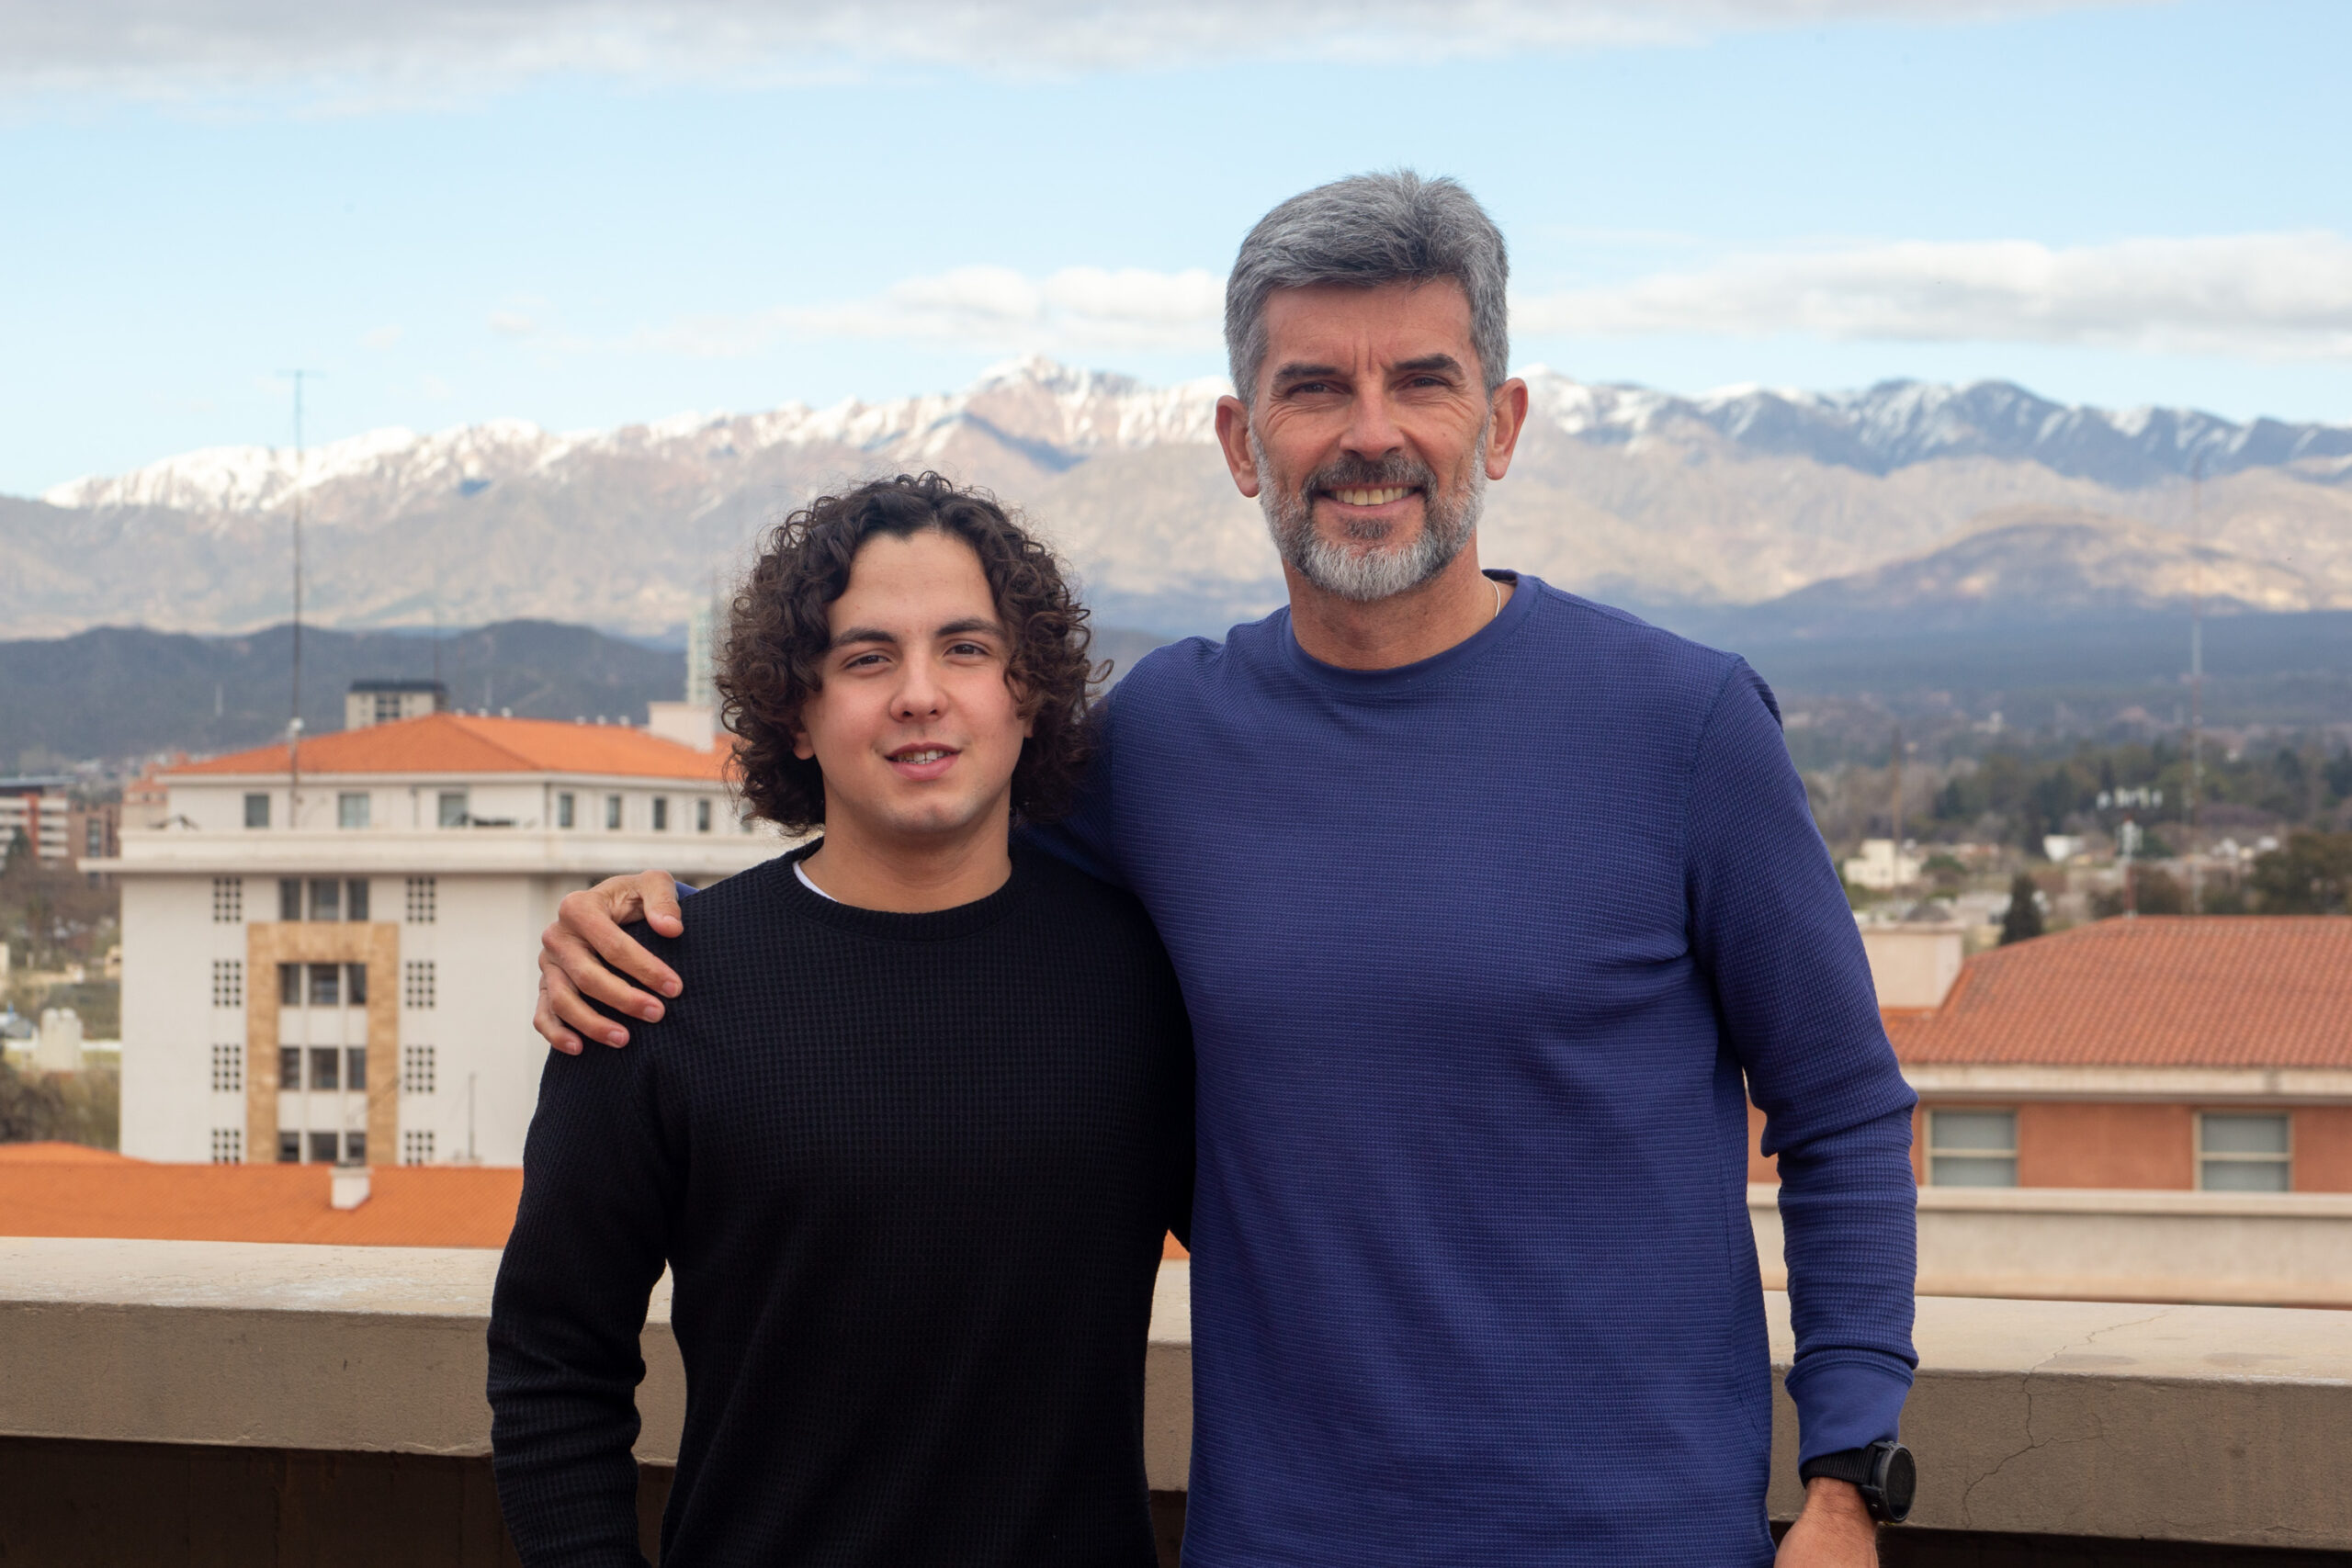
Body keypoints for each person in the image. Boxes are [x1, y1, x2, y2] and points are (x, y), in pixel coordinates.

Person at [536, 173, 1917, 1568]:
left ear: (1499, 423)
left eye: (1421, 381)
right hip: (1281, 1539)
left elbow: (1843, 1108)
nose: (1369, 434)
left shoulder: (1680, 724)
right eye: (1313, 388)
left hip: (1635, 1535)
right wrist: (665, 924)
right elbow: (917, 863)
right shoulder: (1162, 742)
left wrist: (1846, 1479)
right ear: (1240, 441)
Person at [489, 475, 1193, 1567]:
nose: (920, 694)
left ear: (1027, 693)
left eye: (965, 649)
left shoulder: (1146, 978)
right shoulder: (656, 989)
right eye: (867, 659)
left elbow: (1290, 1254)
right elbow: (553, 1359)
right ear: (798, 714)